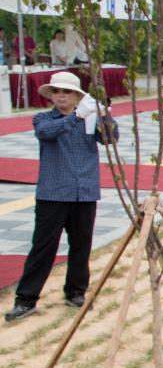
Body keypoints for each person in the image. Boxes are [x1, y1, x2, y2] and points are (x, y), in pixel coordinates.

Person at [7, 71, 115, 322]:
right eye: (56, 92)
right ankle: (26, 299)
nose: (61, 96)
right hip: (52, 194)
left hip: (84, 192)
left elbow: (110, 138)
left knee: (81, 244)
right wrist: (77, 116)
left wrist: (103, 115)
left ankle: (76, 291)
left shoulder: (89, 119)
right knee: (43, 247)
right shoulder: (43, 119)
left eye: (66, 92)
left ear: (77, 95)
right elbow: (46, 133)